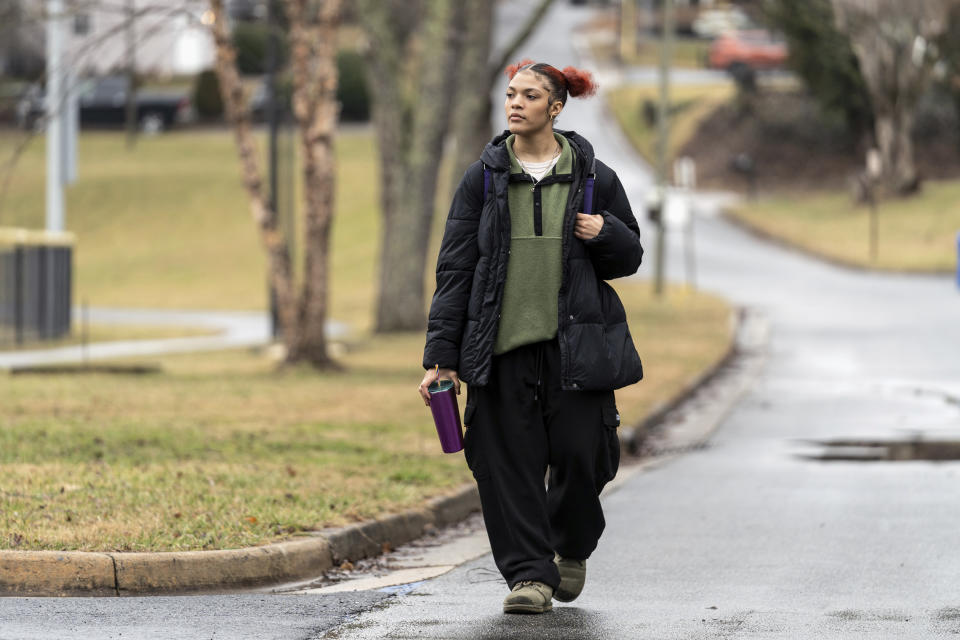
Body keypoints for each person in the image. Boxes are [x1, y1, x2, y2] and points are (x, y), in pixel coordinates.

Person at [418, 60, 644, 615]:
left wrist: (605, 232)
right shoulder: (484, 179)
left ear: (556, 107)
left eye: (530, 95)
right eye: (511, 94)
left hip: (576, 347)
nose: (515, 103)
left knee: (582, 456)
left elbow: (630, 256)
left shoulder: (595, 179)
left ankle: (570, 547)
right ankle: (528, 576)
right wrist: (441, 359)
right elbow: (455, 272)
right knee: (505, 464)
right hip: (500, 350)